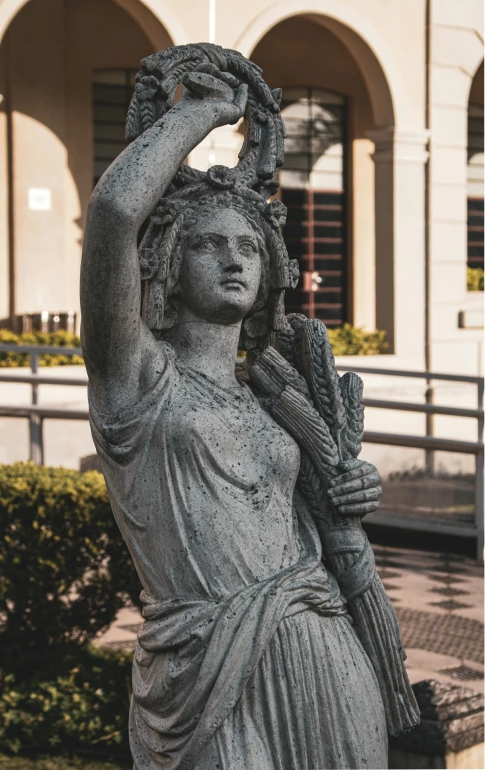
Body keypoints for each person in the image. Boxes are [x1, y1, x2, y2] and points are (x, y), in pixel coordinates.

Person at [80, 54, 391, 770]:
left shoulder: (271, 394)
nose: (235, 258)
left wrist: (351, 491)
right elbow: (113, 215)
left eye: (249, 245)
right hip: (206, 668)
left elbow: (298, 516)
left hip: (324, 646)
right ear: (169, 258)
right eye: (210, 243)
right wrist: (204, 113)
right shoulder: (134, 379)